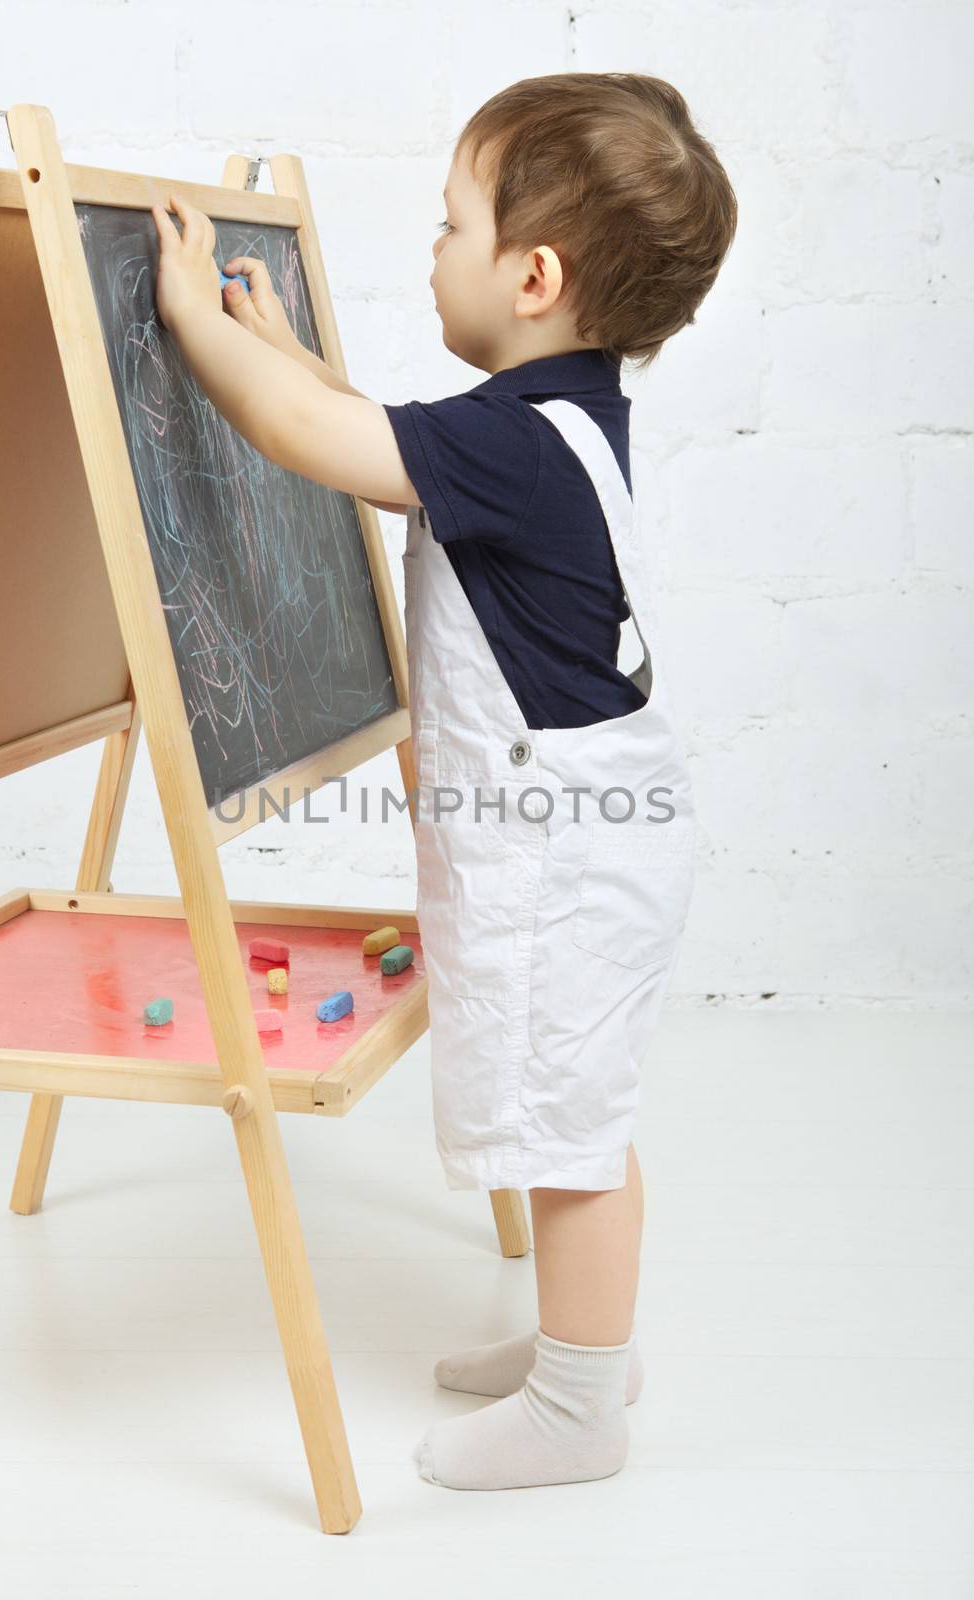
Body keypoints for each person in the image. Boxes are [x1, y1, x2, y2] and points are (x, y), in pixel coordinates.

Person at [151, 69, 738, 1493]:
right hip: (585, 841)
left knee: (568, 1128)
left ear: (530, 275)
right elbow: (374, 440)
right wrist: (289, 342)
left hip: (564, 854)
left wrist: (193, 330)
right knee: (571, 1110)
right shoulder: (547, 426)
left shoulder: (508, 449)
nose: (429, 247)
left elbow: (315, 442)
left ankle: (579, 1409)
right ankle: (580, 1347)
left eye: (449, 221)